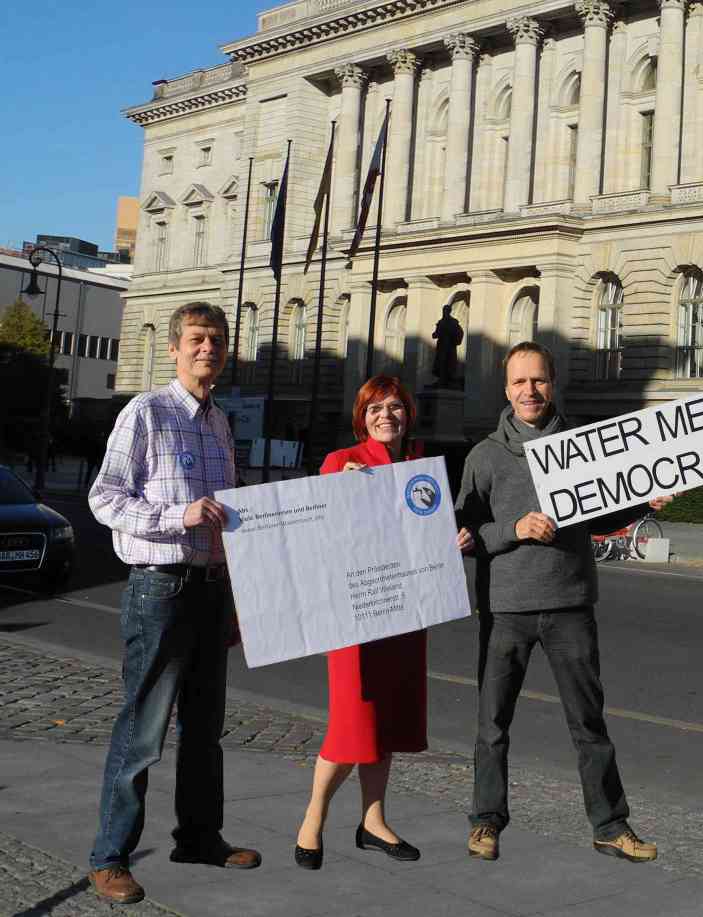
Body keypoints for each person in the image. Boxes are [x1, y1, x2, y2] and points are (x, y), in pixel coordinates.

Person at [456, 341, 672, 864]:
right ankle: (487, 821)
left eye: (539, 380)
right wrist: (514, 528)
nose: (529, 391)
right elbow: (465, 534)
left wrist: (644, 500)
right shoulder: (484, 456)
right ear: (506, 390)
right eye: (519, 382)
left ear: (553, 384)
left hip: (570, 605)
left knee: (589, 723)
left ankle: (610, 825)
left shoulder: (582, 446)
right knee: (492, 725)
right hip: (506, 607)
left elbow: (598, 516)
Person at [86, 302, 260, 905]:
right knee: (143, 729)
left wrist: (236, 591)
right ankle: (110, 857)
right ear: (174, 348)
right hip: (159, 586)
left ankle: (199, 837)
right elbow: (104, 497)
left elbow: (228, 516)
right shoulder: (147, 412)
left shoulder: (219, 423)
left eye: (215, 340)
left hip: (211, 588)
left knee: (205, 728)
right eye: (196, 339)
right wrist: (174, 515)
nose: (206, 348)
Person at [293, 375, 474, 870]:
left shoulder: (421, 469)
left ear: (408, 414)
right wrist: (340, 492)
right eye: (376, 408)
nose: (386, 416)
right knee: (351, 723)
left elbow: (425, 541)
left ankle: (373, 821)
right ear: (362, 415)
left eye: (395, 407)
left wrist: (453, 541)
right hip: (355, 617)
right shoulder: (341, 463)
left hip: (404, 615)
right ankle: (314, 817)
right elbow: (316, 531)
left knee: (387, 724)